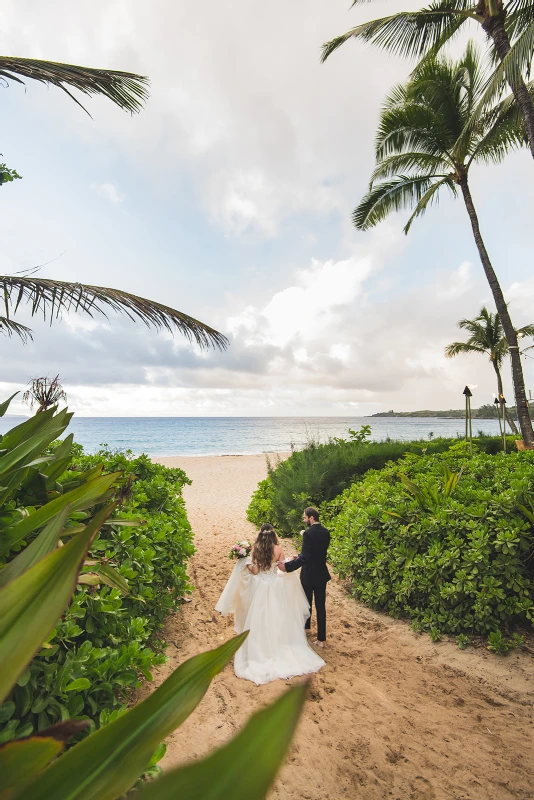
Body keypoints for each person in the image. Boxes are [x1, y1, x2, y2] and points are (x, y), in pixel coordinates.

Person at [215, 523, 325, 684]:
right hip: (275, 586)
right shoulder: (279, 548)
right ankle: (279, 644)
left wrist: (246, 563)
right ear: (273, 534)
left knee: (259, 616)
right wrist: (287, 560)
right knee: (278, 616)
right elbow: (281, 569)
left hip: (260, 586)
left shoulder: (256, 548)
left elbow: (256, 571)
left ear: (260, 534)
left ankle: (260, 647)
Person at [277, 507, 330, 647]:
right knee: (320, 606)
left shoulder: (308, 533)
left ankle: (306, 629)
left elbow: (306, 557)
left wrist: (287, 567)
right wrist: (299, 556)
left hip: (308, 575)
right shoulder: (326, 532)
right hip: (322, 574)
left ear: (311, 518)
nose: (304, 520)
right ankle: (321, 639)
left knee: (306, 603)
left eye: (305, 518)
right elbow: (317, 554)